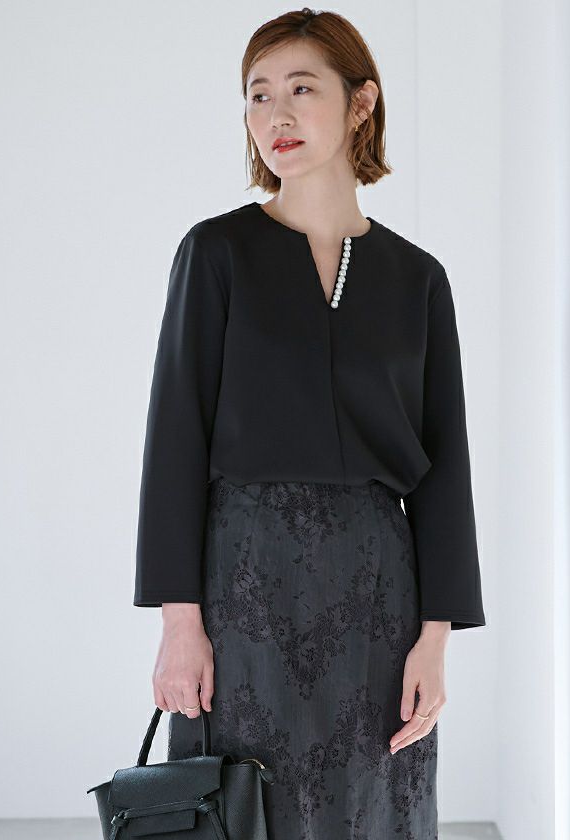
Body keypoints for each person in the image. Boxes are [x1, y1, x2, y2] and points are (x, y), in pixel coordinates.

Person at [133, 8, 486, 839]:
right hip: (245, 588)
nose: (276, 115)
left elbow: (446, 468)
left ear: (361, 103)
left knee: (371, 810)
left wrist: (435, 640)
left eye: (301, 89)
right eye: (258, 95)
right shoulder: (216, 253)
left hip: (377, 596)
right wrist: (181, 624)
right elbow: (175, 440)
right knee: (243, 809)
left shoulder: (418, 279)